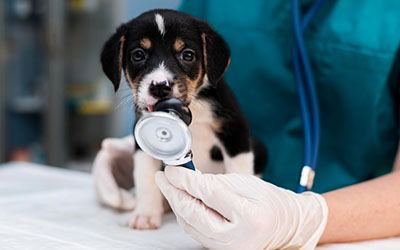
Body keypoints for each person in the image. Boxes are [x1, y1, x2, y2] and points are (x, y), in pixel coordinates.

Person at [92, 0, 400, 249]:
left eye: (185, 56)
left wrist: (300, 219)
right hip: (181, 226)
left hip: (364, 229)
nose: (161, 79)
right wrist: (145, 153)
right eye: (137, 56)